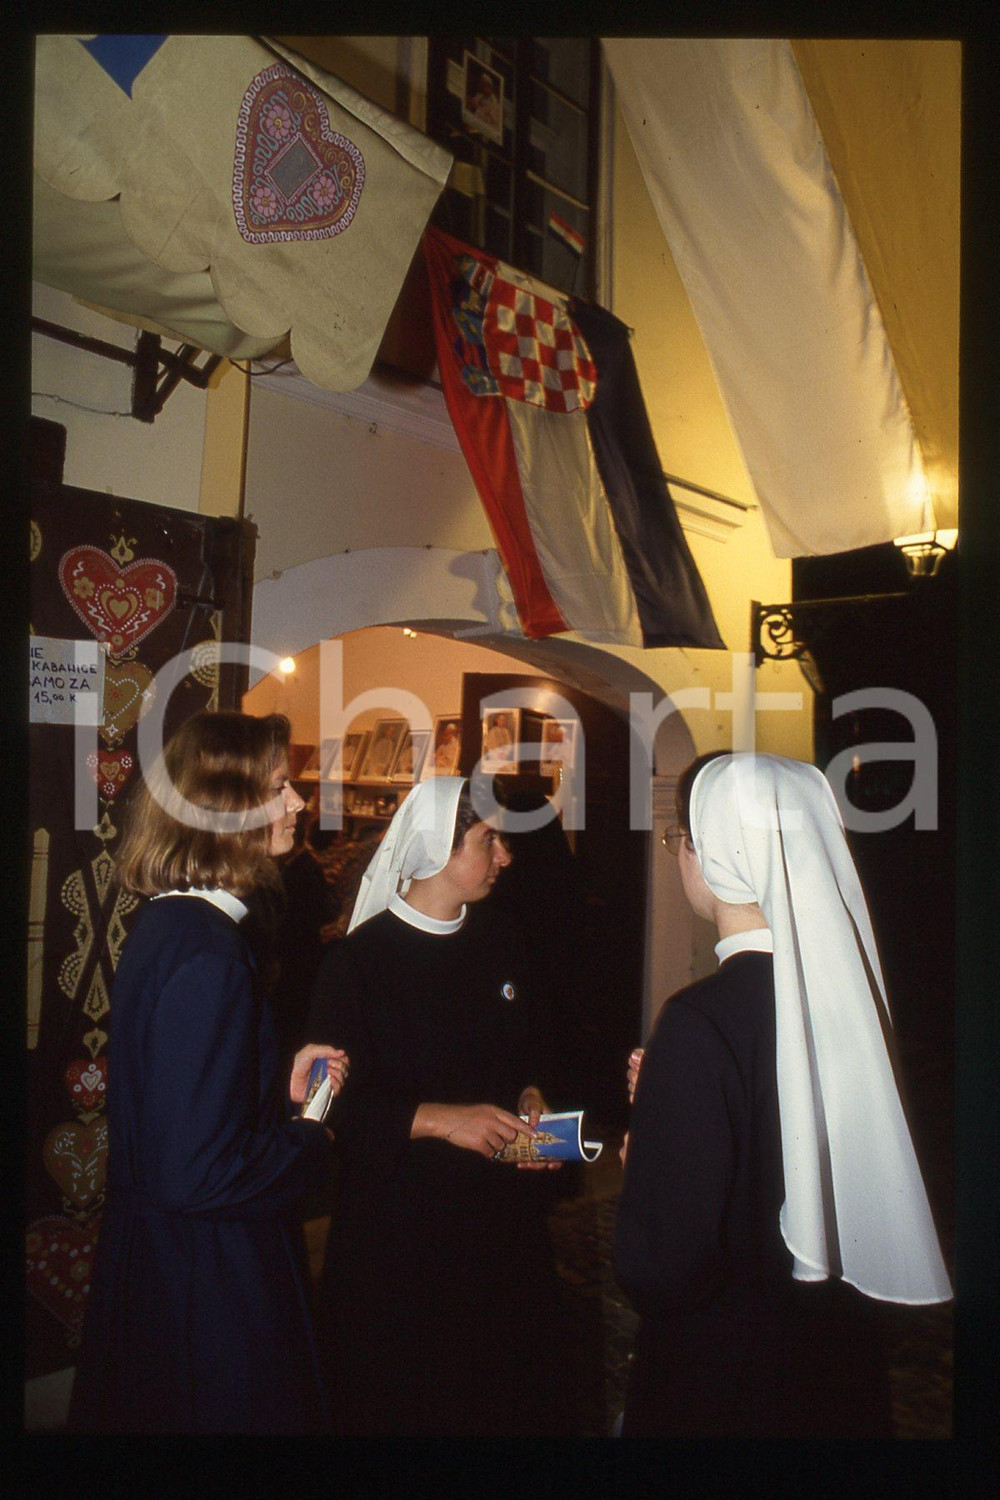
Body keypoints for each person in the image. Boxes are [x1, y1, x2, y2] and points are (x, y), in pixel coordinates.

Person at [614, 751, 952, 1438]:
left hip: (728, 1374)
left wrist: (649, 1156)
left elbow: (663, 1266)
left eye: (682, 839)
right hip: (832, 1361)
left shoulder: (697, 1020)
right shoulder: (852, 998)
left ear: (714, 854)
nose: (679, 855)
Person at [68, 711, 349, 1435]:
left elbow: (177, 1108)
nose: (297, 804)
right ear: (226, 805)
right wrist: (310, 1133)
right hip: (204, 1274)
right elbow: (196, 1173)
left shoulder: (172, 923)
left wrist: (267, 1090)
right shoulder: (208, 952)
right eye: (281, 788)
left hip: (163, 1257)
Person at [306, 776, 571, 1436]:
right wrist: (436, 1119)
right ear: (433, 850)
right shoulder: (358, 963)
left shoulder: (503, 937)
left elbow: (528, 1050)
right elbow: (321, 1109)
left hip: (498, 1224)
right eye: (489, 841)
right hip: (400, 1235)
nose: (504, 858)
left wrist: (533, 1097)